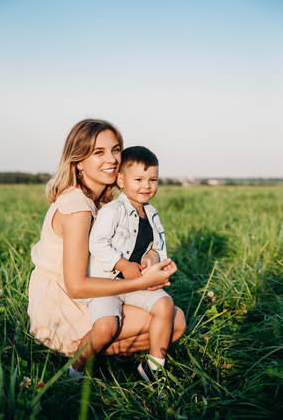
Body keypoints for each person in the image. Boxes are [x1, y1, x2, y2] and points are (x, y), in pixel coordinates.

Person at [27, 119, 186, 381]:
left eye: (115, 149)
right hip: (64, 303)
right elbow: (77, 287)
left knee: (172, 318)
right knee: (174, 322)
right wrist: (143, 281)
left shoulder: (104, 203)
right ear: (78, 161)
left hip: (90, 290)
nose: (111, 159)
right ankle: (76, 358)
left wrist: (152, 257)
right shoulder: (77, 207)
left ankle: (101, 351)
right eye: (98, 152)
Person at [84, 146, 174, 385]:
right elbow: (97, 243)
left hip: (136, 284)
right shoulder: (113, 211)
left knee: (165, 304)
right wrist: (123, 264)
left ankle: (153, 368)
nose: (146, 186)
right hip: (107, 283)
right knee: (106, 327)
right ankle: (74, 370)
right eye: (139, 179)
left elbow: (159, 246)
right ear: (121, 180)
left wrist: (152, 258)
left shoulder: (152, 215)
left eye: (152, 180)